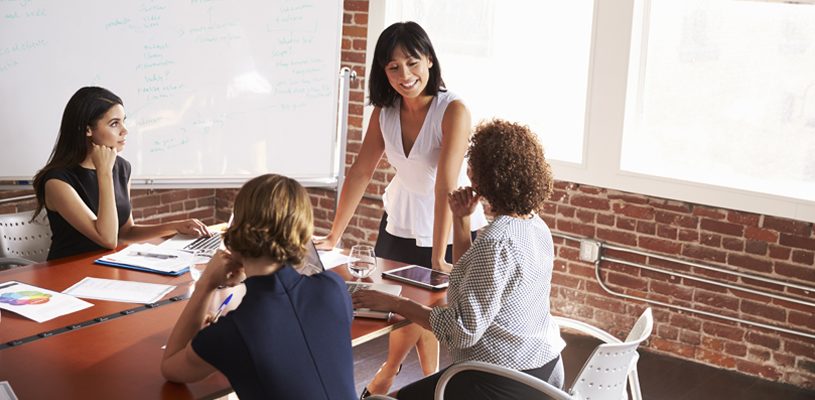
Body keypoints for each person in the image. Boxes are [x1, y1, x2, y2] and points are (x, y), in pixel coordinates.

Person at [315, 21, 488, 397]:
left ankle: (390, 372)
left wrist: (441, 255)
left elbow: (445, 184)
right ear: (383, 71)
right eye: (393, 67)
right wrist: (333, 235)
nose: (405, 75)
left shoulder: (453, 110)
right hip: (402, 220)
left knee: (428, 307)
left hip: (449, 222)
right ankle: (431, 382)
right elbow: (362, 171)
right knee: (403, 307)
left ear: (429, 59)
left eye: (412, 63)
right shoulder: (384, 113)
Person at [353, 119, 566, 400]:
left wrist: (395, 303)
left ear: (489, 178)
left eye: (472, 164)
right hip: (545, 373)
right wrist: (461, 221)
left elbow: (460, 331)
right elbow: (473, 282)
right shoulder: (535, 227)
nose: (467, 170)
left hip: (499, 382)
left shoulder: (495, 242)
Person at [161, 173, 356, 399]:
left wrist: (206, 284)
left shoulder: (233, 331)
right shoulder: (333, 287)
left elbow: (171, 367)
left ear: (237, 231)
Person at [32, 86, 208, 260]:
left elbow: (125, 232)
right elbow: (108, 239)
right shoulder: (57, 181)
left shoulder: (122, 168)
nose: (125, 130)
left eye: (123, 121)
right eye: (114, 123)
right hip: (65, 274)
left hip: (108, 268)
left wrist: (176, 226)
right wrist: (104, 173)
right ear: (87, 130)